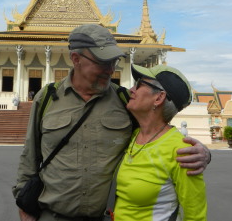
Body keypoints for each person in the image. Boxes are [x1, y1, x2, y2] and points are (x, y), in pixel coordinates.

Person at [13, 24, 211, 221]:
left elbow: (158, 132)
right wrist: (23, 203)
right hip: (52, 215)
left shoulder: (124, 101)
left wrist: (204, 153)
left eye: (114, 61)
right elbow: (30, 156)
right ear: (76, 59)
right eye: (103, 62)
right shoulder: (47, 98)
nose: (111, 69)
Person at [113, 64, 206, 221]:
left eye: (139, 84)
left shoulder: (181, 151)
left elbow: (195, 215)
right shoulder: (132, 135)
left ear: (159, 98)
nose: (131, 90)